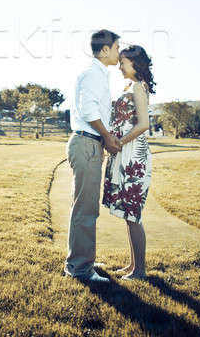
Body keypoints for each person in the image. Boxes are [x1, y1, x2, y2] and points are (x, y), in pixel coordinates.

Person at [64, 29, 122, 284]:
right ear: (105, 49)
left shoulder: (98, 74)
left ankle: (83, 258)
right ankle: (79, 268)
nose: (119, 53)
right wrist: (107, 138)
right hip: (88, 143)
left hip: (90, 144)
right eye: (117, 48)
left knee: (87, 207)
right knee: (85, 209)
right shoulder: (93, 74)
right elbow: (88, 110)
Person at [102, 45, 156, 280]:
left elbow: (143, 125)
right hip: (125, 153)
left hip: (134, 156)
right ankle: (133, 266)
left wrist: (119, 142)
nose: (120, 67)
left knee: (133, 214)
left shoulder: (137, 87)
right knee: (128, 214)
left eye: (123, 62)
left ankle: (140, 270)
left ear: (136, 64)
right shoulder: (130, 86)